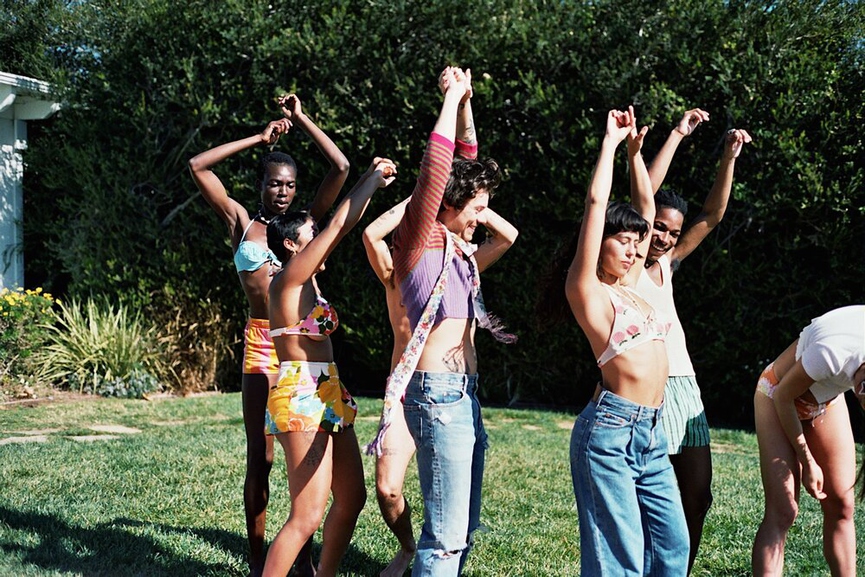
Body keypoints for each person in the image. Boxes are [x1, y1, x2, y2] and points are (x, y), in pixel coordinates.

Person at [188, 94, 349, 577]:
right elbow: (198, 166)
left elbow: (341, 168)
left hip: (299, 346)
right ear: (261, 184)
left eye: (290, 185)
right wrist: (258, 138)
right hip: (261, 342)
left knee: (308, 452)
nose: (283, 192)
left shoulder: (303, 225)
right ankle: (258, 562)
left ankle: (301, 558)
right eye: (275, 183)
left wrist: (301, 118)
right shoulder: (242, 222)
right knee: (260, 457)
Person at [368, 66, 518, 577]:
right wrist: (450, 97)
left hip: (462, 394)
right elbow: (438, 173)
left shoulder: (457, 253)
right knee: (446, 538)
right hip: (438, 395)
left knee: (461, 529)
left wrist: (468, 102)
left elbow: (463, 165)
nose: (482, 217)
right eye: (477, 209)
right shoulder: (419, 240)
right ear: (447, 206)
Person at [539, 107, 689, 575]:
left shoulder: (632, 287)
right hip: (611, 433)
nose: (632, 249)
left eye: (635, 242)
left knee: (672, 548)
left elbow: (646, 209)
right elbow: (596, 203)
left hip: (651, 432)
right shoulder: (588, 291)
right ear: (598, 242)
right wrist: (609, 144)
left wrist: (635, 154)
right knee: (618, 556)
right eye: (621, 240)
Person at [262, 157, 397, 577]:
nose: (319, 238)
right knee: (306, 516)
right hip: (301, 393)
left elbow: (339, 220)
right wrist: (372, 181)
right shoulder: (289, 280)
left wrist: (367, 178)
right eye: (311, 234)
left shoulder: (309, 280)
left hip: (328, 390)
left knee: (352, 498)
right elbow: (339, 225)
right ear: (292, 245)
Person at [632, 108, 752, 572]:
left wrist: (728, 158)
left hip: (686, 388)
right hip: (650, 391)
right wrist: (678, 134)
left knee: (698, 496)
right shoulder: (627, 264)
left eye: (672, 233)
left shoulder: (668, 264)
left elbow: (713, 214)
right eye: (659, 228)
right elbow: (643, 198)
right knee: (650, 499)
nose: (664, 238)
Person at [751, 305, 865, 577]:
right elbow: (784, 397)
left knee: (842, 505)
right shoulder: (831, 352)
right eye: (863, 392)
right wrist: (808, 460)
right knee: (784, 510)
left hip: (825, 400)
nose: (859, 394)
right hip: (776, 394)